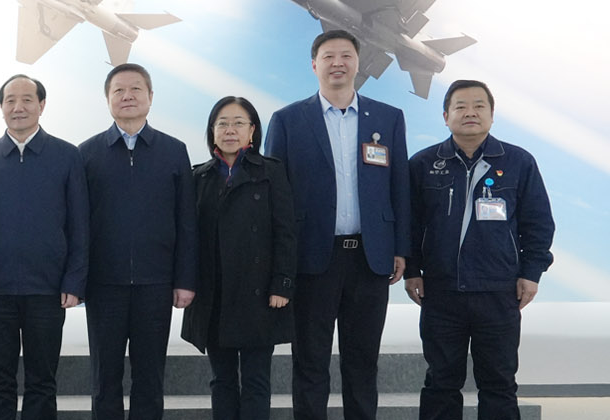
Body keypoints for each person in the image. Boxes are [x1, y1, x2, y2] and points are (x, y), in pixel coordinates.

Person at [262, 29, 411, 420]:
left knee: (362, 362)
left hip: (370, 257)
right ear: (314, 65)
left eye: (346, 55)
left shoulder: (388, 118)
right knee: (310, 362)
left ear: (358, 63)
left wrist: (401, 248)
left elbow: (399, 188)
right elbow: (276, 197)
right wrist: (279, 260)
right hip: (313, 258)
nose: (338, 63)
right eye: (328, 57)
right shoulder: (288, 120)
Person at [405, 80, 554, 420]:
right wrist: (412, 270)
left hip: (498, 292)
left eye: (478, 106)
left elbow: (538, 224)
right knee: (441, 382)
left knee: (499, 382)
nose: (470, 112)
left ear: (491, 114)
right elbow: (409, 224)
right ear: (446, 116)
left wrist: (531, 273)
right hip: (441, 293)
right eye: (460, 106)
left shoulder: (518, 162)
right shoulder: (424, 164)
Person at [0, 74, 88, 419]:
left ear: (42, 105)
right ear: (1, 107)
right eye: (10, 100)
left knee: (42, 380)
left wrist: (74, 281)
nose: (18, 107)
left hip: (48, 289)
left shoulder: (67, 156)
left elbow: (80, 225)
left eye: (27, 100)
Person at [78, 63, 197, 420]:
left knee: (149, 378)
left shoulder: (174, 151)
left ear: (150, 96)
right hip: (104, 285)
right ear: (107, 99)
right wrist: (77, 281)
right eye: (118, 90)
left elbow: (186, 221)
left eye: (135, 89)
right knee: (104, 378)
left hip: (155, 284)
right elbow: (78, 224)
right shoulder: (87, 153)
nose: (127, 96)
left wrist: (185, 280)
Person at [181, 96, 297, 420]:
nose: (230, 130)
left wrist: (282, 284)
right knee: (222, 379)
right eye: (222, 123)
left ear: (252, 131)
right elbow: (188, 238)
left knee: (256, 381)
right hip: (214, 295)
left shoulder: (271, 171)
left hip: (260, 295)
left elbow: (286, 232)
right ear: (212, 131)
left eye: (238, 123)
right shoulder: (199, 177)